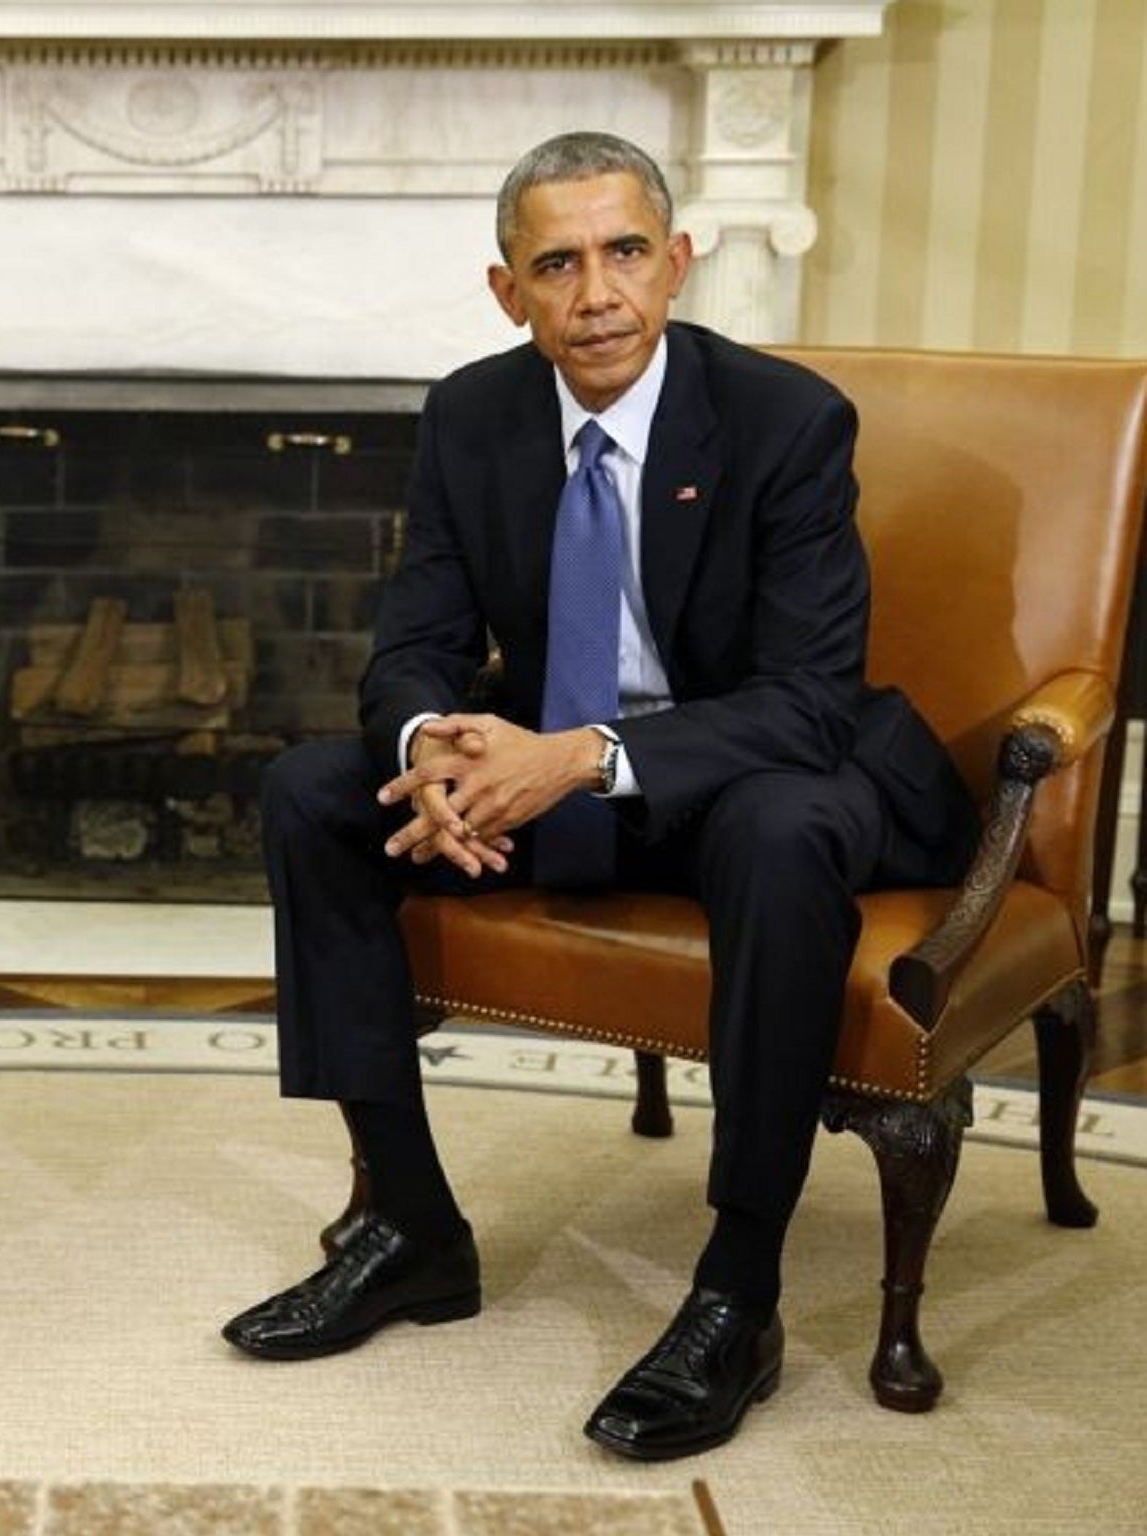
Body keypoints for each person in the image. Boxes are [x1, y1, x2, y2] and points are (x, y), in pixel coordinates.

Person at [220, 131, 977, 1460]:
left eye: (626, 253)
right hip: (569, 770)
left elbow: (806, 699)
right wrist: (433, 752)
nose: (599, 294)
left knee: (779, 826)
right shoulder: (472, 416)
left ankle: (738, 1294)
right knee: (312, 793)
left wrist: (567, 758)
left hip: (766, 773)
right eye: (557, 265)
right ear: (508, 291)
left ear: (678, 262)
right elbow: (415, 641)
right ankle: (409, 1229)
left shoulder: (786, 422)